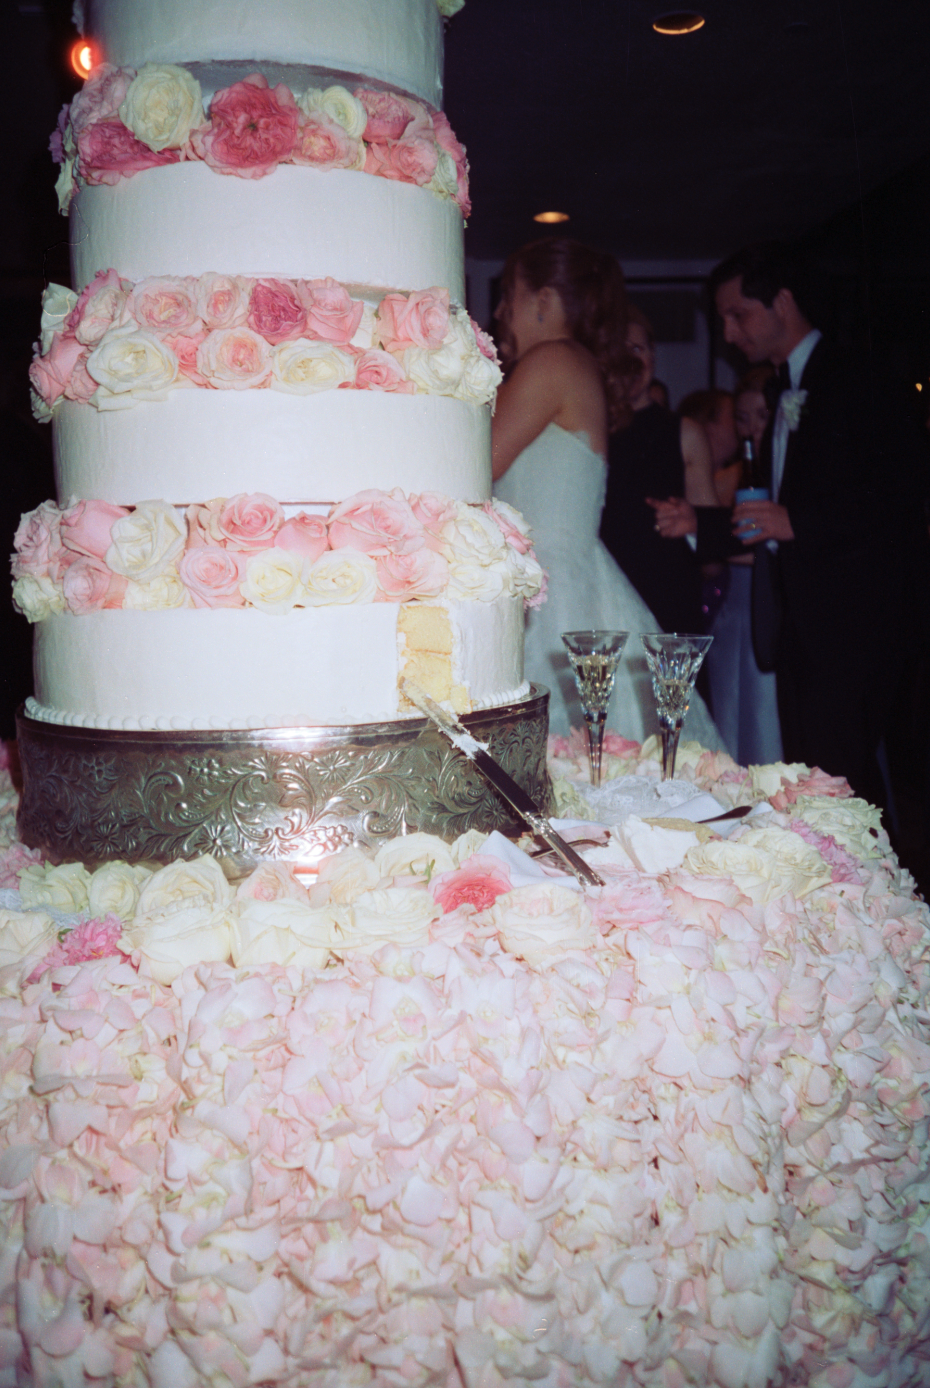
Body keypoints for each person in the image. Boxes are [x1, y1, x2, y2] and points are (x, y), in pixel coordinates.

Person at [654, 241, 930, 804]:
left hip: (857, 625)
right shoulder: (782, 386)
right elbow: (772, 522)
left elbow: (903, 486)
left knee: (846, 781)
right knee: (817, 779)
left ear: (782, 301)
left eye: (738, 314)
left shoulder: (857, 372)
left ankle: (879, 888)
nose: (729, 334)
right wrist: (698, 524)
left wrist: (794, 520)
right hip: (802, 629)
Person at [492, 238, 722, 747]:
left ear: (544, 301)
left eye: (510, 295)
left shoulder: (552, 360)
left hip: (553, 595)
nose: (500, 310)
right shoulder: (574, 363)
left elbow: (473, 465)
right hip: (569, 581)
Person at [599, 308, 719, 637]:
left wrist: (689, 523)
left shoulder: (685, 432)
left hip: (668, 595)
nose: (630, 361)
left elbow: (712, 553)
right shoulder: (590, 427)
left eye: (637, 349)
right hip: (604, 593)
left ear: (653, 356)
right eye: (618, 351)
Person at [702, 370, 784, 765]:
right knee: (729, 710)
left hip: (767, 601)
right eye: (742, 418)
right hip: (733, 606)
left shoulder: (786, 475)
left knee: (765, 715)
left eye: (761, 416)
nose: (751, 428)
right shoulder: (725, 478)